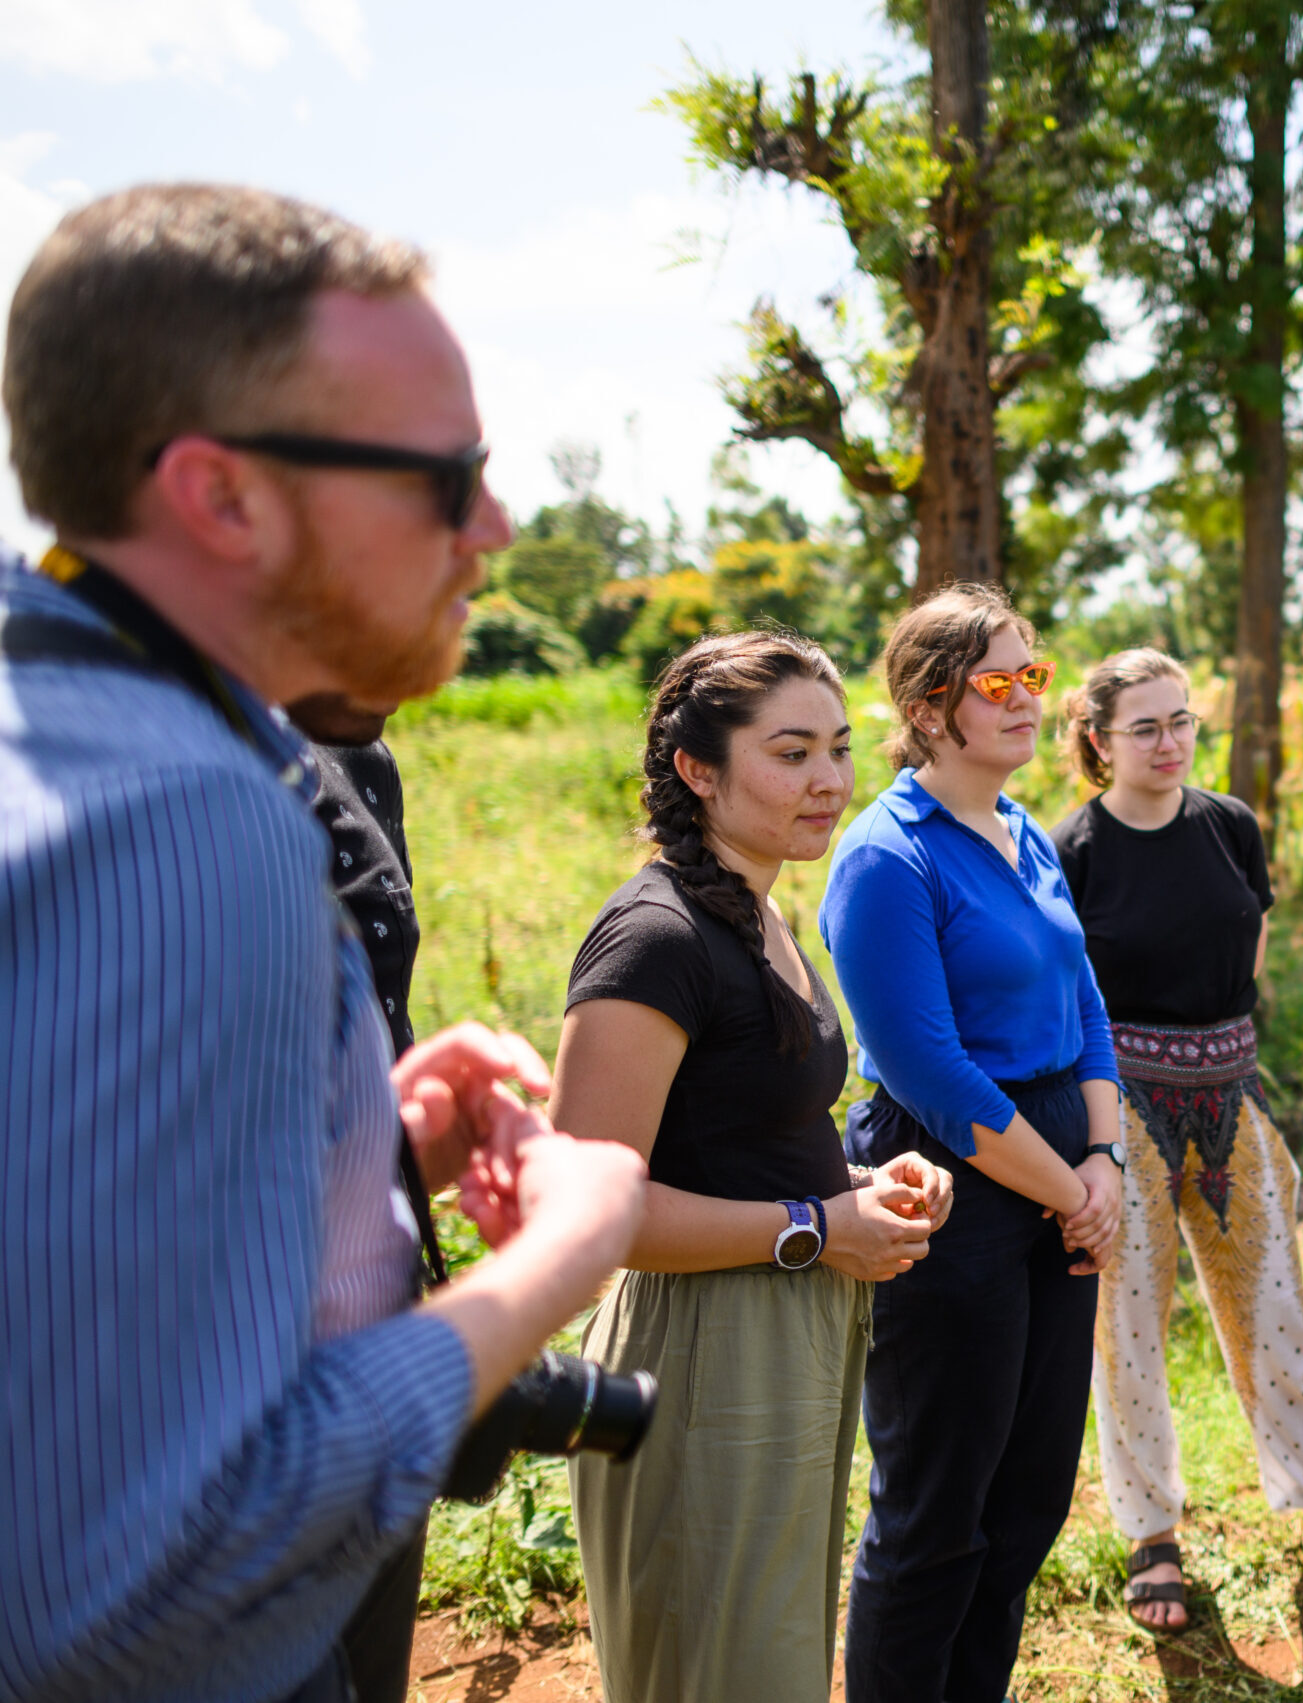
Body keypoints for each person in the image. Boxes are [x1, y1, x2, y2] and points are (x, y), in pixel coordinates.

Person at [0, 183, 647, 1703]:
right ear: (223, 496)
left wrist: (350, 1140)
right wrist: (560, 1256)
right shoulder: (182, 818)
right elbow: (138, 1581)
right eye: (446, 476)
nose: (494, 525)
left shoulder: (77, 737)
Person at [549, 631, 955, 1703]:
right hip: (698, 1353)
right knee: (720, 1670)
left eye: (837, 747)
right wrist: (816, 1225)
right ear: (698, 767)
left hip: (787, 1332)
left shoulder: (763, 909)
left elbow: (738, 1140)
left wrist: (856, 1193)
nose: (827, 779)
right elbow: (587, 1205)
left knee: (768, 1661)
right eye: (789, 753)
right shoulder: (657, 935)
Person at [1053, 647, 1303, 1632]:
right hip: (1121, 1115)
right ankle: (1151, 1532)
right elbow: (1063, 995)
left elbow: (1248, 946)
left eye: (1181, 719)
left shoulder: (1231, 826)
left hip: (1232, 1099)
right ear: (1099, 740)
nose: (1169, 740)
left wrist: (1219, 1052)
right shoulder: (1074, 848)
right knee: (1127, 1330)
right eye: (1145, 725)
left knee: (1276, 1315)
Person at [822, 585, 1125, 1703]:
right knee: (937, 1504)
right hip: (947, 1183)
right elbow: (930, 1072)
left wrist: (1104, 1165)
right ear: (930, 702)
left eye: (1032, 675)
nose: (1025, 699)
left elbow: (1085, 1000)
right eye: (997, 681)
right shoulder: (885, 856)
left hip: (1059, 1162)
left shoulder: (1024, 829)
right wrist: (1067, 1190)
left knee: (1030, 1492)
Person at [284, 690, 440, 1703]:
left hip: (377, 1294)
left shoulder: (357, 757)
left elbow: (372, 1021)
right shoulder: (169, 779)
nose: (481, 534)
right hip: (254, 1333)